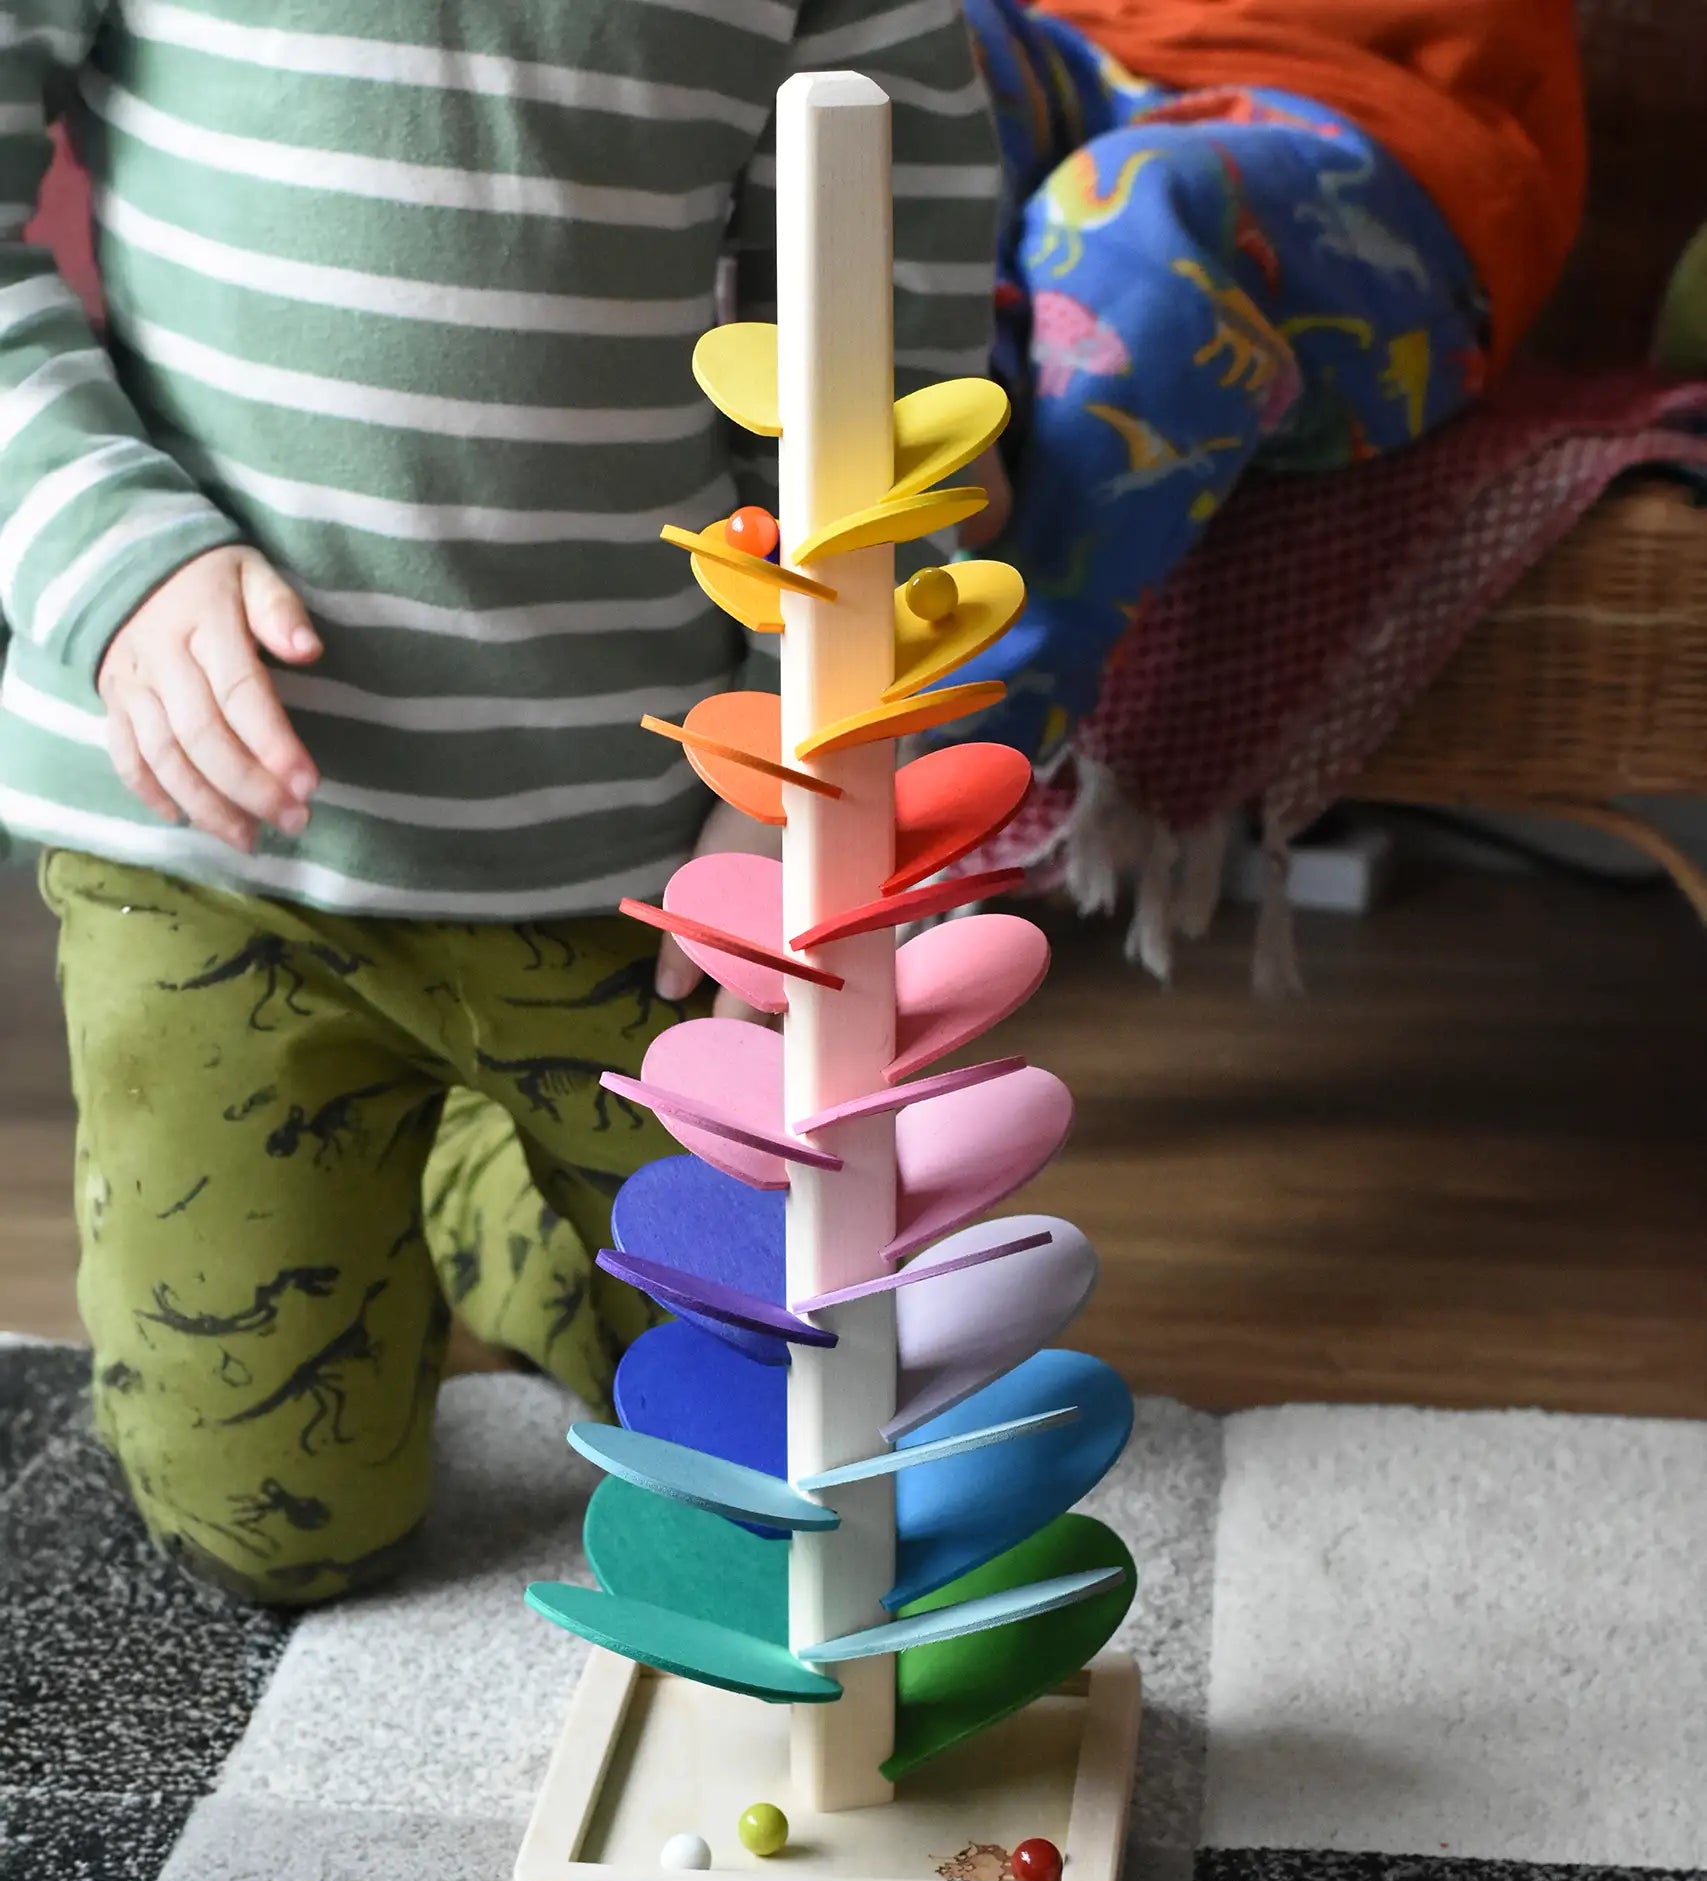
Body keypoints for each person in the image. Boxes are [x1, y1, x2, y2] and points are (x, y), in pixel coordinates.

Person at [0, 0, 999, 1603]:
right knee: (284, 1531)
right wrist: (116, 565)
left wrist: (799, 742)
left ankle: (474, 1184)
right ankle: (423, 1156)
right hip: (213, 853)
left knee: (778, 1458)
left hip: (636, 848)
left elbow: (897, 333)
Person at [935, 0, 1586, 763]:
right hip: (1072, 45)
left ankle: (946, 735)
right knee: (894, 47)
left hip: (1376, 122)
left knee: (1135, 210)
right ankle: (950, 412)